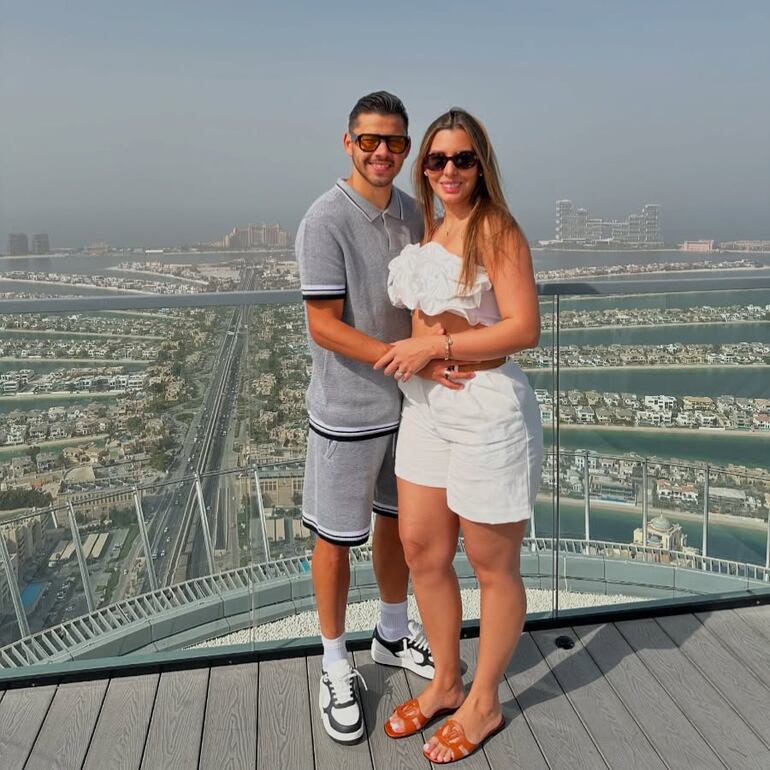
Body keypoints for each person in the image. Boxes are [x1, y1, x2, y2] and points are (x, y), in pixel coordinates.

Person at [295, 91, 474, 745]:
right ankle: (335, 661)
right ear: (349, 143)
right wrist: (412, 361)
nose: (382, 153)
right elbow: (323, 327)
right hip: (348, 408)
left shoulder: (410, 210)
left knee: (398, 528)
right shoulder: (323, 220)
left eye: (395, 143)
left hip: (411, 408)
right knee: (336, 538)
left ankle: (392, 635)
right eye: (370, 141)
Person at [373, 108, 544, 763]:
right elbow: (423, 315)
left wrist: (439, 344)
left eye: (462, 158)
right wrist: (425, 349)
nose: (449, 170)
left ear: (481, 165)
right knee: (421, 549)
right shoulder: (430, 228)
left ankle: (486, 701)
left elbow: (523, 328)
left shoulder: (497, 230)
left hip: (485, 410)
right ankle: (446, 680)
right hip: (425, 408)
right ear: (425, 167)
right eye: (438, 160)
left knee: (492, 565)